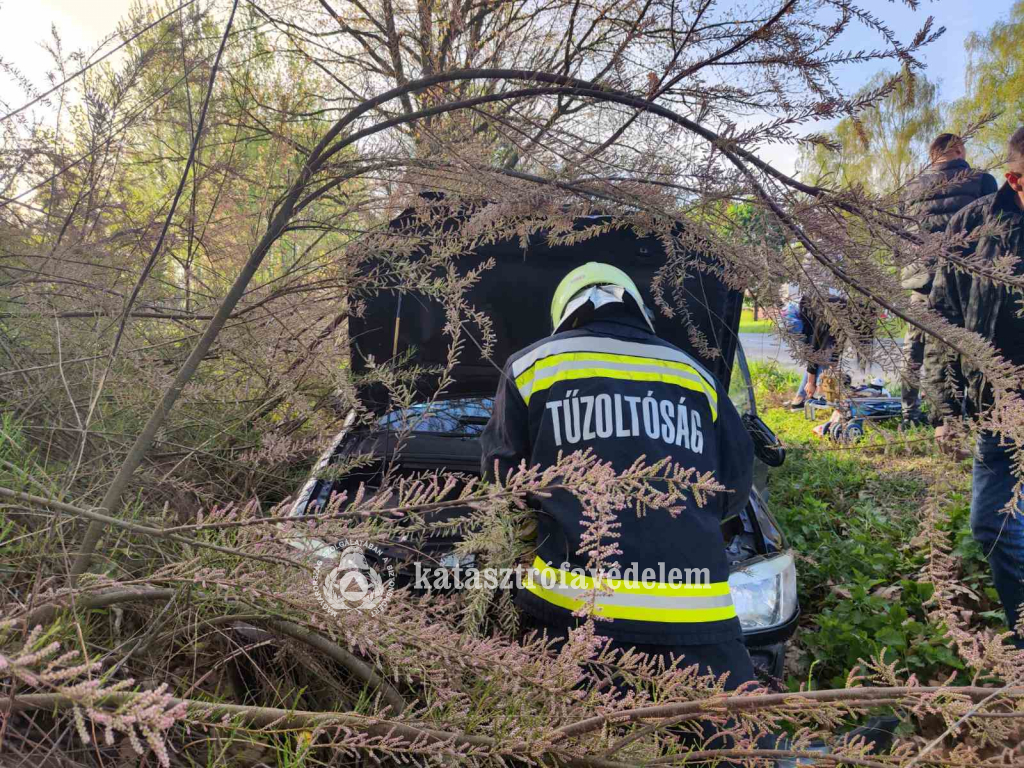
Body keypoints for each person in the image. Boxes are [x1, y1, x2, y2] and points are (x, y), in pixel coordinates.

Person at [480, 262, 761, 691]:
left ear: (564, 317)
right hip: (698, 624)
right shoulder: (697, 376)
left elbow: (504, 482)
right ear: (640, 310)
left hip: (571, 620)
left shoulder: (533, 366)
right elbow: (734, 490)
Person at [923, 127, 1024, 650]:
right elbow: (945, 321)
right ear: (1014, 178)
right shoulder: (973, 228)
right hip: (998, 408)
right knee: (994, 526)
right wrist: (945, 409)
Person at [900, 134, 997, 426]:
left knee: (915, 349)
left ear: (933, 156)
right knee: (969, 348)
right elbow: (992, 230)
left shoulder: (911, 186)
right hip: (963, 280)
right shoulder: (982, 180)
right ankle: (969, 416)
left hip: (922, 280)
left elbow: (902, 235)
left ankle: (909, 413)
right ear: (957, 150)